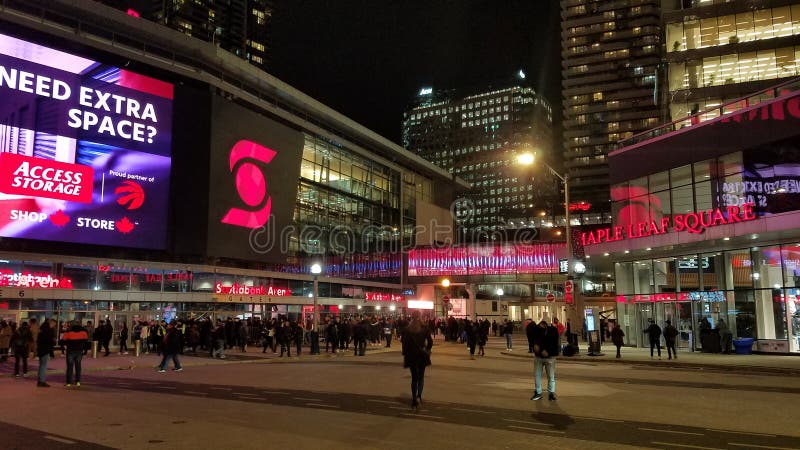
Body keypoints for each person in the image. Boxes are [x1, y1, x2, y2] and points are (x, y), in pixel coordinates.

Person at [402, 311, 433, 410]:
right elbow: (430, 342)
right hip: (421, 355)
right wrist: (427, 350)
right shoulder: (425, 328)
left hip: (411, 356)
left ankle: (414, 400)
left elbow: (404, 344)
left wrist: (405, 353)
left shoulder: (407, 329)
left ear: (411, 316)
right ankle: (419, 396)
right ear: (420, 316)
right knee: (421, 376)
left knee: (414, 378)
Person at [530, 319, 560, 401]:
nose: (541, 326)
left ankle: (551, 393)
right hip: (539, 357)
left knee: (551, 376)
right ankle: (538, 392)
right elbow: (532, 338)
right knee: (537, 375)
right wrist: (535, 346)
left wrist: (548, 352)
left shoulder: (553, 330)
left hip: (550, 357)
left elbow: (555, 343)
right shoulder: (536, 330)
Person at [62, 321, 89, 387]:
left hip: (70, 351)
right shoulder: (84, 332)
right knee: (78, 366)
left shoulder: (69, 332)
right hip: (79, 351)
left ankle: (68, 382)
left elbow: (63, 340)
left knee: (69, 367)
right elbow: (86, 341)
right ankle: (78, 382)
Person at [36, 320, 55, 387]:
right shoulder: (48, 332)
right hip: (45, 350)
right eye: (53, 325)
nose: (53, 326)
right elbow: (50, 342)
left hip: (41, 350)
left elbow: (38, 341)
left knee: (41, 365)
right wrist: (51, 353)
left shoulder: (41, 331)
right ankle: (42, 381)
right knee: (43, 366)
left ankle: (40, 380)